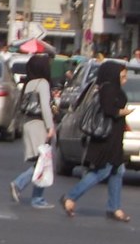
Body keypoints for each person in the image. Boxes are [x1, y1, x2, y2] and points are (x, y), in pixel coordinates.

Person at [59, 60, 131, 222]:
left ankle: (115, 208)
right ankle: (70, 197)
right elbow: (109, 110)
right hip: (107, 140)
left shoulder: (108, 88)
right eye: (123, 76)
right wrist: (123, 111)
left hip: (113, 139)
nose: (125, 80)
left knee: (117, 171)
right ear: (113, 75)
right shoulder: (109, 89)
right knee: (102, 171)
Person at [9, 52, 55, 208]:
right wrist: (50, 127)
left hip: (28, 123)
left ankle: (37, 197)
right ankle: (21, 185)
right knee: (42, 162)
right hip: (38, 124)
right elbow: (45, 108)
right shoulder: (43, 83)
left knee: (41, 161)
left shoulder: (29, 84)